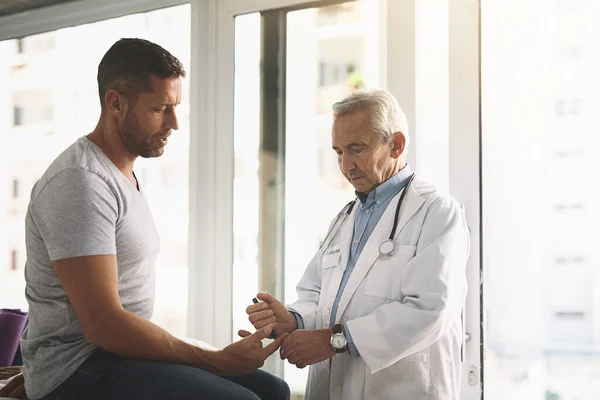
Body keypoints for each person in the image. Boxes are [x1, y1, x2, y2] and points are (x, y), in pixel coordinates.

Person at [20, 38, 289, 400]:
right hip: (77, 370)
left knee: (273, 390)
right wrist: (214, 360)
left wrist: (211, 358)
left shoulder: (120, 175)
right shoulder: (80, 182)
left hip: (114, 357)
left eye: (175, 107)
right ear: (116, 103)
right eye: (160, 108)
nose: (174, 123)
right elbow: (103, 326)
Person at [247, 89, 469, 399]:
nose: (345, 164)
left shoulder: (436, 212)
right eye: (338, 151)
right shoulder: (347, 216)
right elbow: (318, 295)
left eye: (356, 149)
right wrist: (293, 319)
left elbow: (430, 309)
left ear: (396, 144)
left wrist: (333, 340)